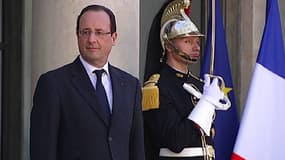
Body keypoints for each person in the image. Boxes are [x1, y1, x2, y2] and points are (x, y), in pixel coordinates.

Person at [30, 4, 145, 160]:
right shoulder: (53, 84)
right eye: (85, 32)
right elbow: (43, 151)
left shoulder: (131, 86)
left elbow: (136, 149)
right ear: (77, 35)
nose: (91, 39)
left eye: (99, 32)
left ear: (114, 38)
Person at [142, 0, 230, 160]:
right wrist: (205, 104)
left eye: (197, 42)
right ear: (168, 46)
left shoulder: (200, 85)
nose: (196, 47)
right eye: (187, 41)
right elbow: (175, 140)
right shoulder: (157, 87)